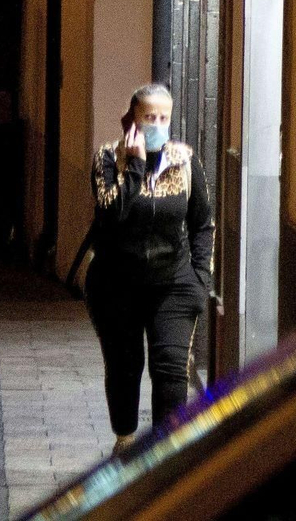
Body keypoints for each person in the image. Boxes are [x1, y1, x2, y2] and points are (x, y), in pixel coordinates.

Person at [86, 82, 215, 450]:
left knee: (171, 367)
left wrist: (199, 279)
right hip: (116, 284)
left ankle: (164, 452)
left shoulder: (185, 162)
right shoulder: (108, 159)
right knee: (125, 366)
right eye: (149, 117)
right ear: (133, 120)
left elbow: (202, 223)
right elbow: (111, 214)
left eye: (163, 117)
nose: (157, 124)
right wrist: (137, 164)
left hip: (172, 284)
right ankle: (125, 442)